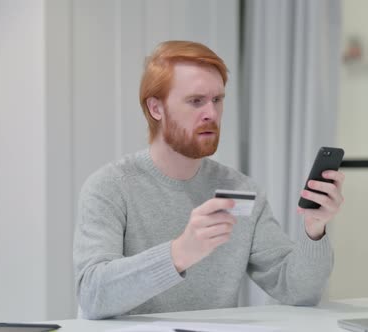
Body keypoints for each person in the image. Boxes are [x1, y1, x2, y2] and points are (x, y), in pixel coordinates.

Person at [73, 40, 345, 320]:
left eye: (217, 100)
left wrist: (315, 230)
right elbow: (93, 294)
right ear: (156, 108)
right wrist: (179, 253)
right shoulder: (111, 186)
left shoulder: (240, 189)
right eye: (195, 101)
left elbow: (299, 291)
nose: (211, 114)